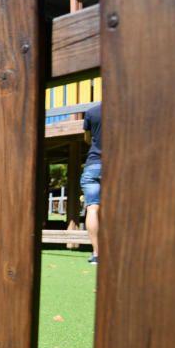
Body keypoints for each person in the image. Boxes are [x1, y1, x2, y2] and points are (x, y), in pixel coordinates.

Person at [80, 103, 102, 264]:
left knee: (92, 208)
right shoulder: (127, 108)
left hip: (93, 163)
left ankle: (96, 253)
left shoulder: (91, 112)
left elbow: (87, 138)